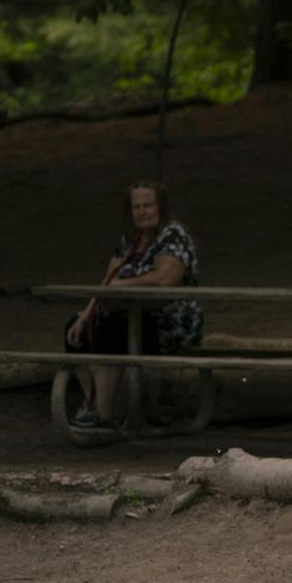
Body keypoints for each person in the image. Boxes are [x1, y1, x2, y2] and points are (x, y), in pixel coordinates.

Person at [64, 181, 203, 428]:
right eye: (136, 206)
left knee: (115, 328)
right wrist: (86, 314)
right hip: (130, 315)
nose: (142, 211)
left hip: (168, 324)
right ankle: (94, 405)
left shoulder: (173, 236)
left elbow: (163, 280)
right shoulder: (129, 240)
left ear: (161, 206)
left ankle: (103, 415)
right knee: (75, 328)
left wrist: (125, 285)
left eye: (148, 205)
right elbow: (108, 282)